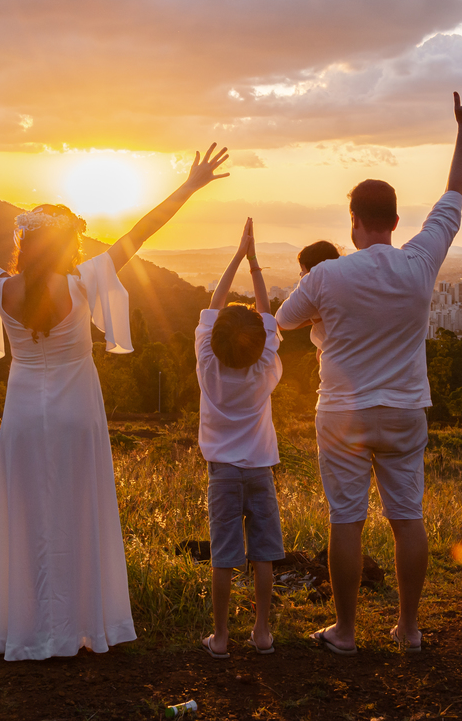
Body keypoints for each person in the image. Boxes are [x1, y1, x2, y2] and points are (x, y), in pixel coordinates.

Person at [0, 144, 230, 661]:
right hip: (76, 413)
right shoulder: (82, 284)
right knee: (77, 512)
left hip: (22, 415)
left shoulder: (1, 287)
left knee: (29, 518)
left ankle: (32, 630)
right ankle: (80, 626)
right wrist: (190, 184)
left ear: (22, 245)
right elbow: (143, 230)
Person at [276, 82, 462, 655]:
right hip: (405, 411)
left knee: (347, 521)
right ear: (396, 219)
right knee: (405, 518)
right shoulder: (421, 259)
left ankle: (344, 633)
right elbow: (456, 193)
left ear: (353, 222)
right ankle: (409, 630)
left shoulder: (325, 277)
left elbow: (285, 322)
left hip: (343, 414)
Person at [194, 218, 284, 658]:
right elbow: (267, 318)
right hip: (260, 470)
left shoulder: (208, 363)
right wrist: (255, 265)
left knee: (223, 555)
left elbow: (215, 305)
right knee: (263, 553)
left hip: (222, 473)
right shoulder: (263, 368)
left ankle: (222, 638)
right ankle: (263, 633)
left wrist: (235, 254)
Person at [296, 240, 341, 361]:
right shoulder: (339, 294)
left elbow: (283, 322)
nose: (300, 274)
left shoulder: (319, 302)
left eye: (303, 270)